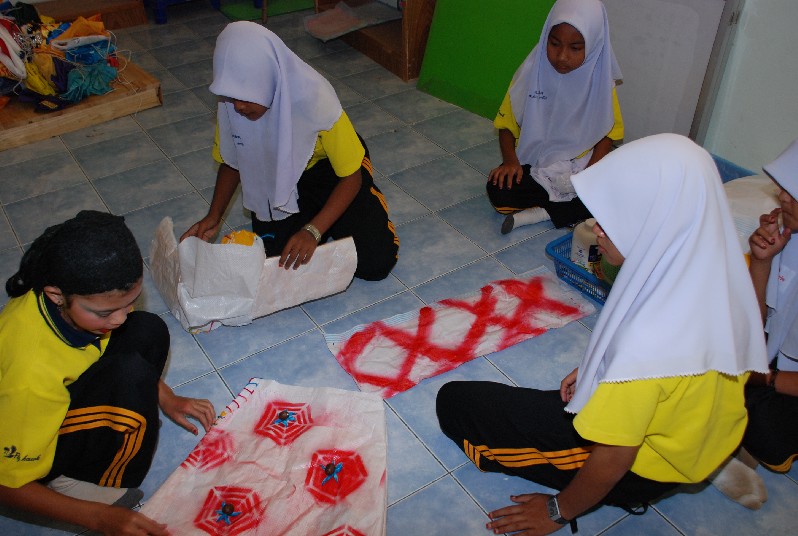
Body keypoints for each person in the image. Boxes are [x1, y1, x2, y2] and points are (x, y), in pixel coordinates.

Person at [437, 134, 768, 535]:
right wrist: (598, 369)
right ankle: (707, 457)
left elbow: (613, 458)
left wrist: (557, 511)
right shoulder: (719, 262)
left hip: (641, 468)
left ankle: (677, 473)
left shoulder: (649, 344)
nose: (595, 228)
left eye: (613, 219)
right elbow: (740, 347)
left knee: (456, 404)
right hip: (702, 428)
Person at [0, 211, 216, 535]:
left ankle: (121, 414)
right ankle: (68, 481)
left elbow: (118, 336)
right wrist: (98, 518)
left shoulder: (71, 302)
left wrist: (166, 397)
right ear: (57, 295)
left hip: (55, 401)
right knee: (131, 378)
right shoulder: (30, 374)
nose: (119, 319)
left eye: (129, 303)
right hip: (31, 435)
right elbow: (5, 484)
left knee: (148, 329)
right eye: (105, 312)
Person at [182, 21, 399, 281]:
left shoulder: (316, 100)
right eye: (231, 96)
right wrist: (214, 216)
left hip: (331, 172)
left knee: (375, 262)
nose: (238, 106)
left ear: (268, 79)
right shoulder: (231, 104)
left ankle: (340, 216)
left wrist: (313, 231)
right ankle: (323, 218)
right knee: (276, 263)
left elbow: (351, 177)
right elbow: (233, 159)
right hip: (277, 177)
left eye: (246, 95)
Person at [487, 0, 624, 234]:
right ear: (545, 38)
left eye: (575, 48)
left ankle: (542, 213)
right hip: (537, 165)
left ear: (594, 45)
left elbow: (607, 135)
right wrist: (511, 162)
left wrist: (589, 176)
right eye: (554, 44)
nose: (562, 57)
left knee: (614, 191)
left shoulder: (601, 84)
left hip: (580, 166)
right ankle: (566, 211)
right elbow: (506, 125)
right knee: (498, 189)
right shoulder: (530, 73)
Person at [742, 138, 798, 473]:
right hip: (776, 363)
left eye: (793, 192)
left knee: (764, 428)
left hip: (784, 379)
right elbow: (754, 320)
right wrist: (762, 261)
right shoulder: (789, 236)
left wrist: (766, 378)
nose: (782, 196)